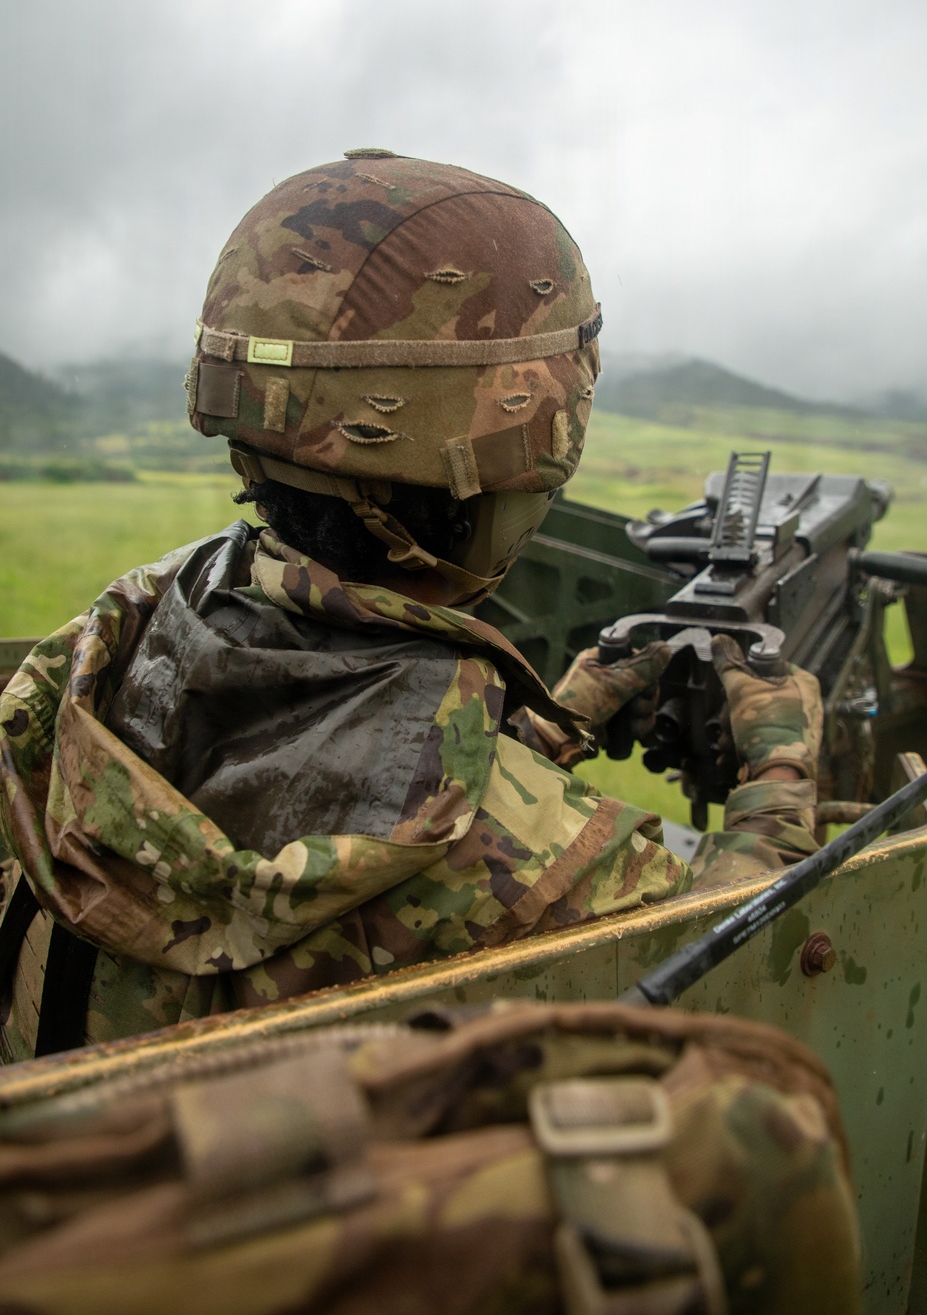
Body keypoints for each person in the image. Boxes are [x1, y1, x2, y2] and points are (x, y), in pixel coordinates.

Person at [0, 152, 821, 1062]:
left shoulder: (117, 640)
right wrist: (778, 779)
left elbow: (301, 779)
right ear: (531, 451)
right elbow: (737, 980)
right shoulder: (553, 874)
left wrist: (559, 720)